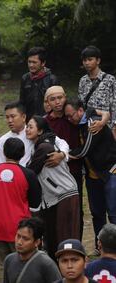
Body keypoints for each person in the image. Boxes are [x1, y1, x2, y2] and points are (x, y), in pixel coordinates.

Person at [0, 137, 42, 282]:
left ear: (3, 152)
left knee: (2, 268)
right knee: (24, 267)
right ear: (22, 153)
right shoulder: (28, 174)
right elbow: (35, 203)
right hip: (21, 230)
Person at [64, 98, 116, 252]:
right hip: (93, 176)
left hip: (110, 171)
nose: (69, 119)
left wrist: (64, 154)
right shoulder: (82, 120)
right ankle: (100, 246)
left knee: (113, 213)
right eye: (67, 117)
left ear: (80, 111)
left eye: (71, 115)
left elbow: (85, 149)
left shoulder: (93, 123)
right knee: (97, 213)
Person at [26, 116, 80, 259]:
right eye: (27, 126)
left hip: (64, 194)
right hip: (54, 197)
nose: (27, 129)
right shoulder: (38, 145)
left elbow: (30, 172)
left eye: (31, 126)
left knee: (66, 239)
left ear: (40, 130)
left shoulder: (44, 147)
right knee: (54, 237)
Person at [44, 86, 84, 237]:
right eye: (52, 99)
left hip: (73, 170)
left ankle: (77, 244)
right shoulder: (45, 121)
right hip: (53, 173)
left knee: (76, 210)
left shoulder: (74, 117)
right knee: (54, 210)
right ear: (47, 102)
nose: (57, 102)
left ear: (65, 97)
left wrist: (64, 155)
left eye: (60, 97)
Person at [0, 102, 69, 167]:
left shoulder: (33, 133)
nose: (9, 120)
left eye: (13, 116)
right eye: (7, 117)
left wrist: (61, 155)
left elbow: (62, 143)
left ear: (23, 117)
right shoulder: (3, 140)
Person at [3, 217, 62, 283]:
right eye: (18, 236)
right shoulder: (9, 260)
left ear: (37, 242)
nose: (19, 242)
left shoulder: (46, 264)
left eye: (25, 239)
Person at [78, 46, 116, 129]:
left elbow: (114, 104)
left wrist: (114, 126)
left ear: (98, 61)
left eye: (90, 59)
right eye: (85, 60)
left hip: (107, 126)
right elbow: (81, 103)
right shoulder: (83, 81)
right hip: (89, 126)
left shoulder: (110, 79)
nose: (87, 63)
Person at [19, 47, 58, 121]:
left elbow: (57, 104)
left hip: (47, 121)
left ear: (43, 63)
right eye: (29, 62)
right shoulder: (25, 78)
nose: (31, 65)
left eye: (34, 62)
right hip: (29, 120)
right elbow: (22, 102)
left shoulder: (52, 80)